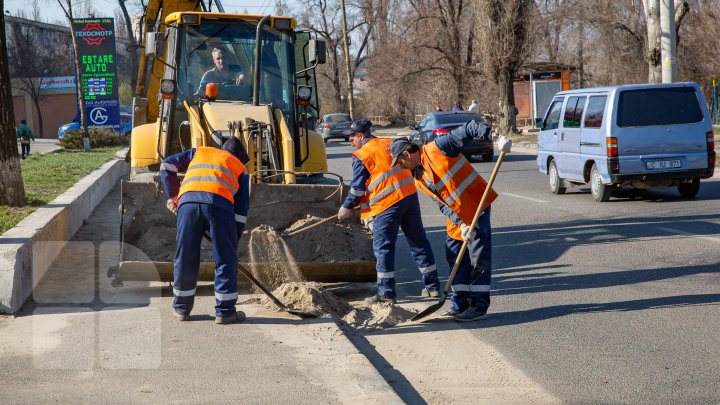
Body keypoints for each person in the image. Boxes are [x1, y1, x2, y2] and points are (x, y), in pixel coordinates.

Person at [389, 121, 511, 322]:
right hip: (458, 216)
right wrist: (461, 224)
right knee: (454, 253)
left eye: (400, 162)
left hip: (476, 205)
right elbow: (443, 205)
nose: (401, 166)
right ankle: (459, 303)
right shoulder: (418, 178)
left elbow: (469, 127)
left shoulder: (439, 147)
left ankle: (479, 306)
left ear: (406, 154)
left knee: (478, 257)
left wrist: (495, 137)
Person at [337, 119, 441, 305]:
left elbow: (357, 189)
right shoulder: (388, 143)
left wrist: (346, 206)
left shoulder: (362, 155)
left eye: (352, 138)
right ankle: (432, 288)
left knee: (383, 248)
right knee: (419, 242)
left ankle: (386, 293)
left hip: (387, 206)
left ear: (360, 136)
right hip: (409, 198)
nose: (351, 141)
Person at [160, 137, 250, 324]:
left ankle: (181, 309)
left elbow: (167, 165)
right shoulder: (240, 168)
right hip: (219, 205)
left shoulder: (199, 152)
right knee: (225, 259)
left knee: (185, 256)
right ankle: (225, 312)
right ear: (240, 156)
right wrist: (233, 240)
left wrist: (174, 196)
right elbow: (240, 213)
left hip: (187, 205)